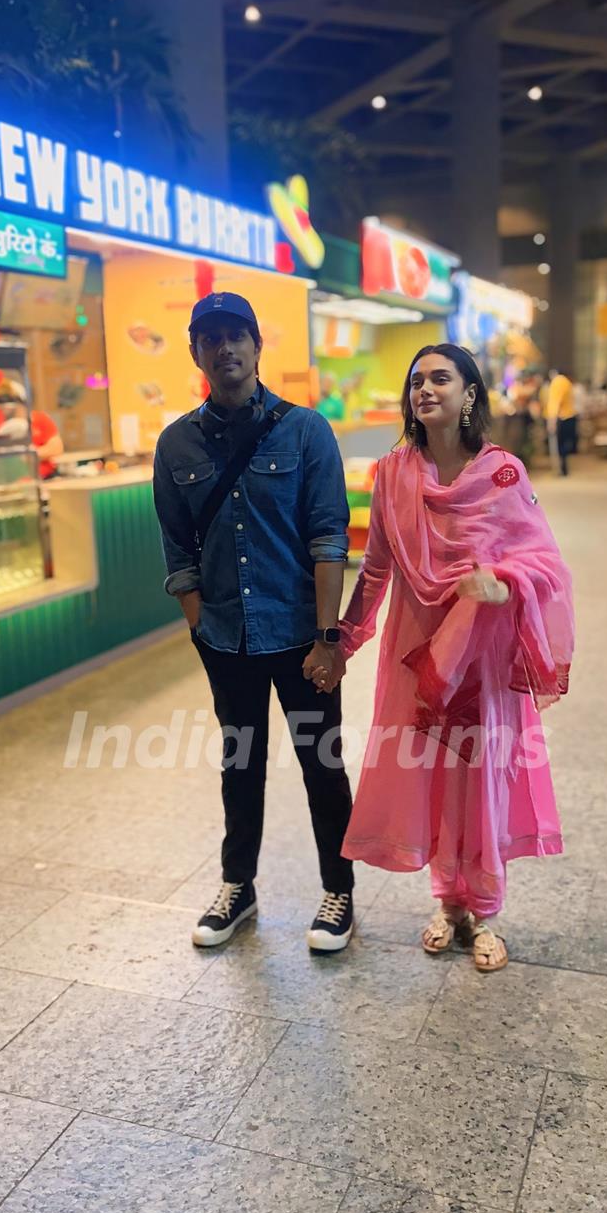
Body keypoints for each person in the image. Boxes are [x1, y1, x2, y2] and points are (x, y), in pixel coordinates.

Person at [311, 344, 574, 973]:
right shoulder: (394, 473)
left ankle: (484, 909)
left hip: (481, 654)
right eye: (416, 381)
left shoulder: (502, 473)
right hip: (416, 651)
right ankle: (447, 903)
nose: (424, 389)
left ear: (470, 394)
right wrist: (344, 640)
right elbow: (376, 568)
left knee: (478, 776)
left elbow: (546, 564)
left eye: (440, 378)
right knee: (430, 774)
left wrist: (503, 584)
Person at [153, 292, 355, 952]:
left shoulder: (307, 431)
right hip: (226, 639)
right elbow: (177, 548)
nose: (226, 348)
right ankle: (238, 887)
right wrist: (198, 623)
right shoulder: (175, 442)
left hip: (303, 638)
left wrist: (329, 638)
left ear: (257, 345)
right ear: (196, 353)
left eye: (237, 334)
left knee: (321, 764)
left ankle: (338, 890)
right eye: (211, 339)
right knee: (240, 765)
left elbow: (330, 538)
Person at [545, 370, 577, 476]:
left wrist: (551, 420)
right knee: (565, 446)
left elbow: (555, 402)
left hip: (561, 418)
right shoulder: (567, 382)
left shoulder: (557, 382)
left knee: (559, 447)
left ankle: (561, 469)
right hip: (570, 416)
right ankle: (564, 468)